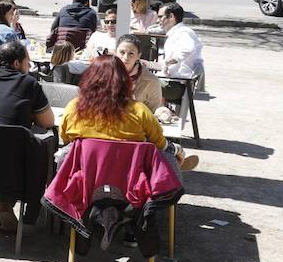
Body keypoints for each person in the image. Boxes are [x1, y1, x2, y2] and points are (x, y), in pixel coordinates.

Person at [0, 40, 55, 232]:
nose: (29, 66)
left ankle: (0, 206)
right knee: (35, 149)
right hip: (14, 156)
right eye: (27, 62)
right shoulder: (29, 83)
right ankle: (6, 207)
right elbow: (48, 122)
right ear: (16, 63)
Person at [58, 55, 198, 173]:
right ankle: (180, 162)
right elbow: (160, 143)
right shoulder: (139, 110)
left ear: (90, 79)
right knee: (167, 154)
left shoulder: (73, 107)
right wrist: (178, 150)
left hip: (82, 178)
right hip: (130, 181)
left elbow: (65, 138)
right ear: (125, 80)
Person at [114, 33, 172, 121]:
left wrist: (163, 113)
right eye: (122, 52)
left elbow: (155, 109)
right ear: (115, 53)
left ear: (138, 56)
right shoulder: (104, 73)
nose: (125, 57)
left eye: (131, 53)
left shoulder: (151, 81)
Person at [154, 3, 204, 84]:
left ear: (171, 16)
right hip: (173, 79)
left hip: (178, 82)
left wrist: (171, 61)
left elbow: (187, 49)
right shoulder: (176, 33)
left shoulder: (184, 32)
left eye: (160, 17)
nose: (157, 20)